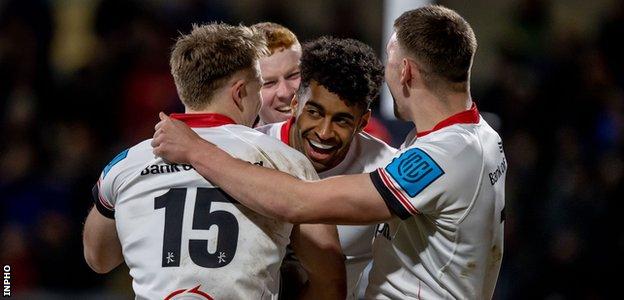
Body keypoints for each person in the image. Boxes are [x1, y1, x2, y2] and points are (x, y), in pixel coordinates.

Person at [152, 5, 506, 299]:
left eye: (390, 61)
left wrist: (196, 149)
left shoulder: (443, 155)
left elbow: (299, 202)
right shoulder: (479, 135)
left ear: (407, 71)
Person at [83, 23, 346, 299]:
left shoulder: (125, 164)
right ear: (240, 92)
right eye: (261, 86)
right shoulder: (288, 163)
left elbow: (98, 259)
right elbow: (330, 281)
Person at [256, 36, 396, 299]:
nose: (324, 132)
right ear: (296, 103)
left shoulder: (387, 170)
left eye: (342, 120)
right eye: (315, 112)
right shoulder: (251, 150)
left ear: (363, 121)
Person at [252, 22, 302, 126]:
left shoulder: (339, 138)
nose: (285, 93)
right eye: (269, 83)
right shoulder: (235, 142)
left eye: (293, 75)